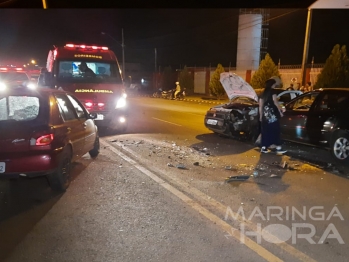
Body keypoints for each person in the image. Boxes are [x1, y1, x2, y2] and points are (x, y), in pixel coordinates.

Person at [259, 76, 287, 154]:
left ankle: (264, 147)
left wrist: (261, 116)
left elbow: (260, 105)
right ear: (272, 85)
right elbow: (275, 102)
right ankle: (278, 147)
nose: (275, 86)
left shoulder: (263, 93)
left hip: (265, 116)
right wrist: (281, 110)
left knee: (265, 131)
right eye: (274, 84)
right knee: (275, 130)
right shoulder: (273, 92)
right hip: (273, 116)